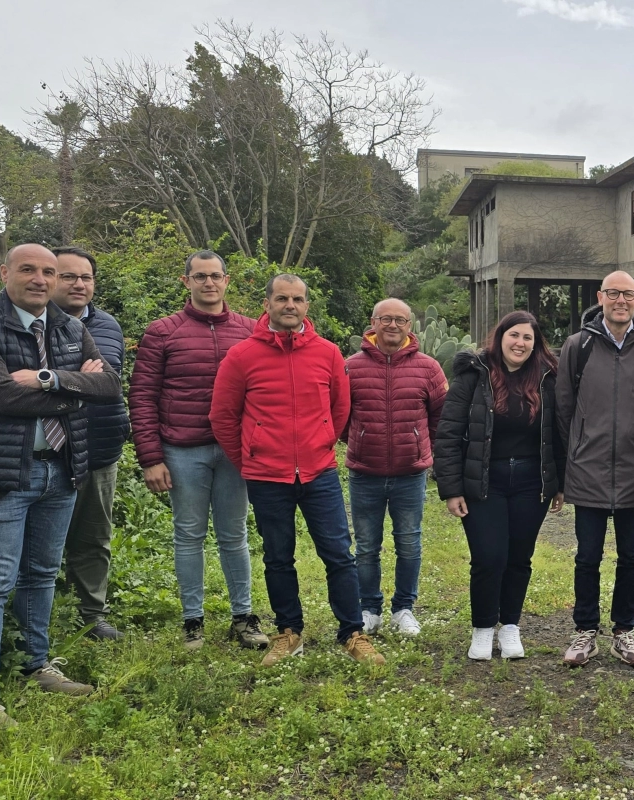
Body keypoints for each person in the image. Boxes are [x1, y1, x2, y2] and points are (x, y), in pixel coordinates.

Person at [0, 243, 123, 725]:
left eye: (49, 271)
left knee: (42, 575)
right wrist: (74, 389)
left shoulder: (70, 326)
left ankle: (37, 665)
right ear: (4, 272)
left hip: (60, 470)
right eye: (28, 269)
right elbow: (1, 397)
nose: (40, 279)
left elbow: (108, 386)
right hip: (2, 474)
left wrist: (46, 378)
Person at [210, 273, 382, 667]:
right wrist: (250, 458)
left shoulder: (327, 353)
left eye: (298, 299)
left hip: (319, 473)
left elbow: (340, 409)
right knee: (277, 557)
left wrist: (321, 443)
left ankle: (351, 633)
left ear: (306, 305)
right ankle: (289, 632)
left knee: (339, 554)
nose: (291, 305)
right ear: (267, 303)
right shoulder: (242, 356)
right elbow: (222, 417)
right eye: (283, 298)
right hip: (266, 476)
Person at [129, 250, 268, 651]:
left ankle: (243, 617)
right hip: (182, 449)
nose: (209, 283)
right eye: (200, 276)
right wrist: (150, 457)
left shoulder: (249, 330)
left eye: (216, 276)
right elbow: (142, 396)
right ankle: (193, 622)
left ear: (227, 281)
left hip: (234, 452)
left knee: (234, 534)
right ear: (185, 281)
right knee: (188, 535)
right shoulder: (162, 332)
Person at [556, 271, 634, 667]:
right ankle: (584, 631)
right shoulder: (579, 346)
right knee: (587, 556)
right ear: (600, 297)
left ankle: (624, 632)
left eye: (628, 294)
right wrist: (573, 454)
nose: (620, 300)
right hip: (587, 469)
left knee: (632, 557)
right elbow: (564, 409)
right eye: (613, 293)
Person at [435, 310, 566, 661]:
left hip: (530, 481)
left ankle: (509, 626)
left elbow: (558, 434)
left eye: (528, 337)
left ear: (535, 344)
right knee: (488, 556)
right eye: (514, 335)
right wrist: (451, 489)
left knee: (519, 557)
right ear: (500, 337)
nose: (520, 343)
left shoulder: (547, 378)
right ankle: (481, 628)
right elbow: (448, 433)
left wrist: (560, 483)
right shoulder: (473, 375)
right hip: (483, 480)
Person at [344, 298, 447, 638]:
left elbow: (439, 419)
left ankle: (403, 608)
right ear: (372, 323)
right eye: (385, 319)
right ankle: (369, 608)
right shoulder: (351, 367)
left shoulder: (429, 368)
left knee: (409, 543)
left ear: (409, 325)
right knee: (367, 546)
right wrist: (360, 439)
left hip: (410, 474)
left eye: (399, 320)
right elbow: (341, 417)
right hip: (364, 473)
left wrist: (423, 448)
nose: (392, 325)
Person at [49, 246, 131, 641]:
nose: (79, 284)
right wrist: (77, 377)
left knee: (94, 538)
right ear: (50, 279)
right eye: (69, 276)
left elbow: (110, 384)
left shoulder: (109, 325)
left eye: (86, 277)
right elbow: (25, 384)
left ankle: (92, 614)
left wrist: (59, 378)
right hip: (49, 453)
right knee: (42, 541)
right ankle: (39, 619)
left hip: (99, 449)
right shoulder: (32, 323)